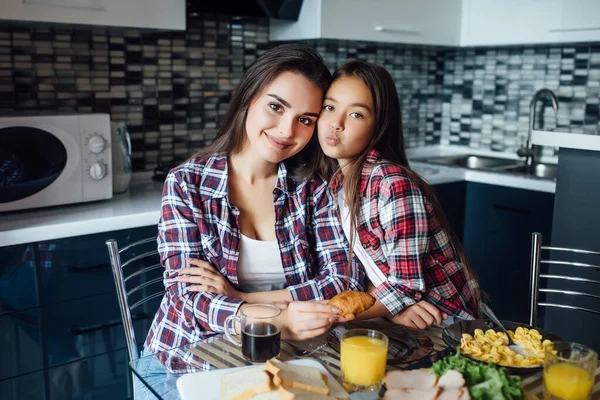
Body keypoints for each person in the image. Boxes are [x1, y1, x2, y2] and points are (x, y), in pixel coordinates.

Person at [143, 43, 364, 373]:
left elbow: (344, 278)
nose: (286, 130)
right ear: (248, 97)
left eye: (305, 119)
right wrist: (280, 319)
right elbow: (186, 299)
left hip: (290, 358)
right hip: (189, 359)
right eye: (276, 106)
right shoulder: (187, 183)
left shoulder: (314, 186)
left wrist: (241, 299)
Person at [311, 59, 481, 329]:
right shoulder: (335, 184)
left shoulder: (391, 184)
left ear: (378, 126)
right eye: (330, 107)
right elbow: (367, 273)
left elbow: (407, 286)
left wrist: (328, 314)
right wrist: (390, 310)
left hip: (446, 323)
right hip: (400, 317)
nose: (336, 123)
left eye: (356, 114)